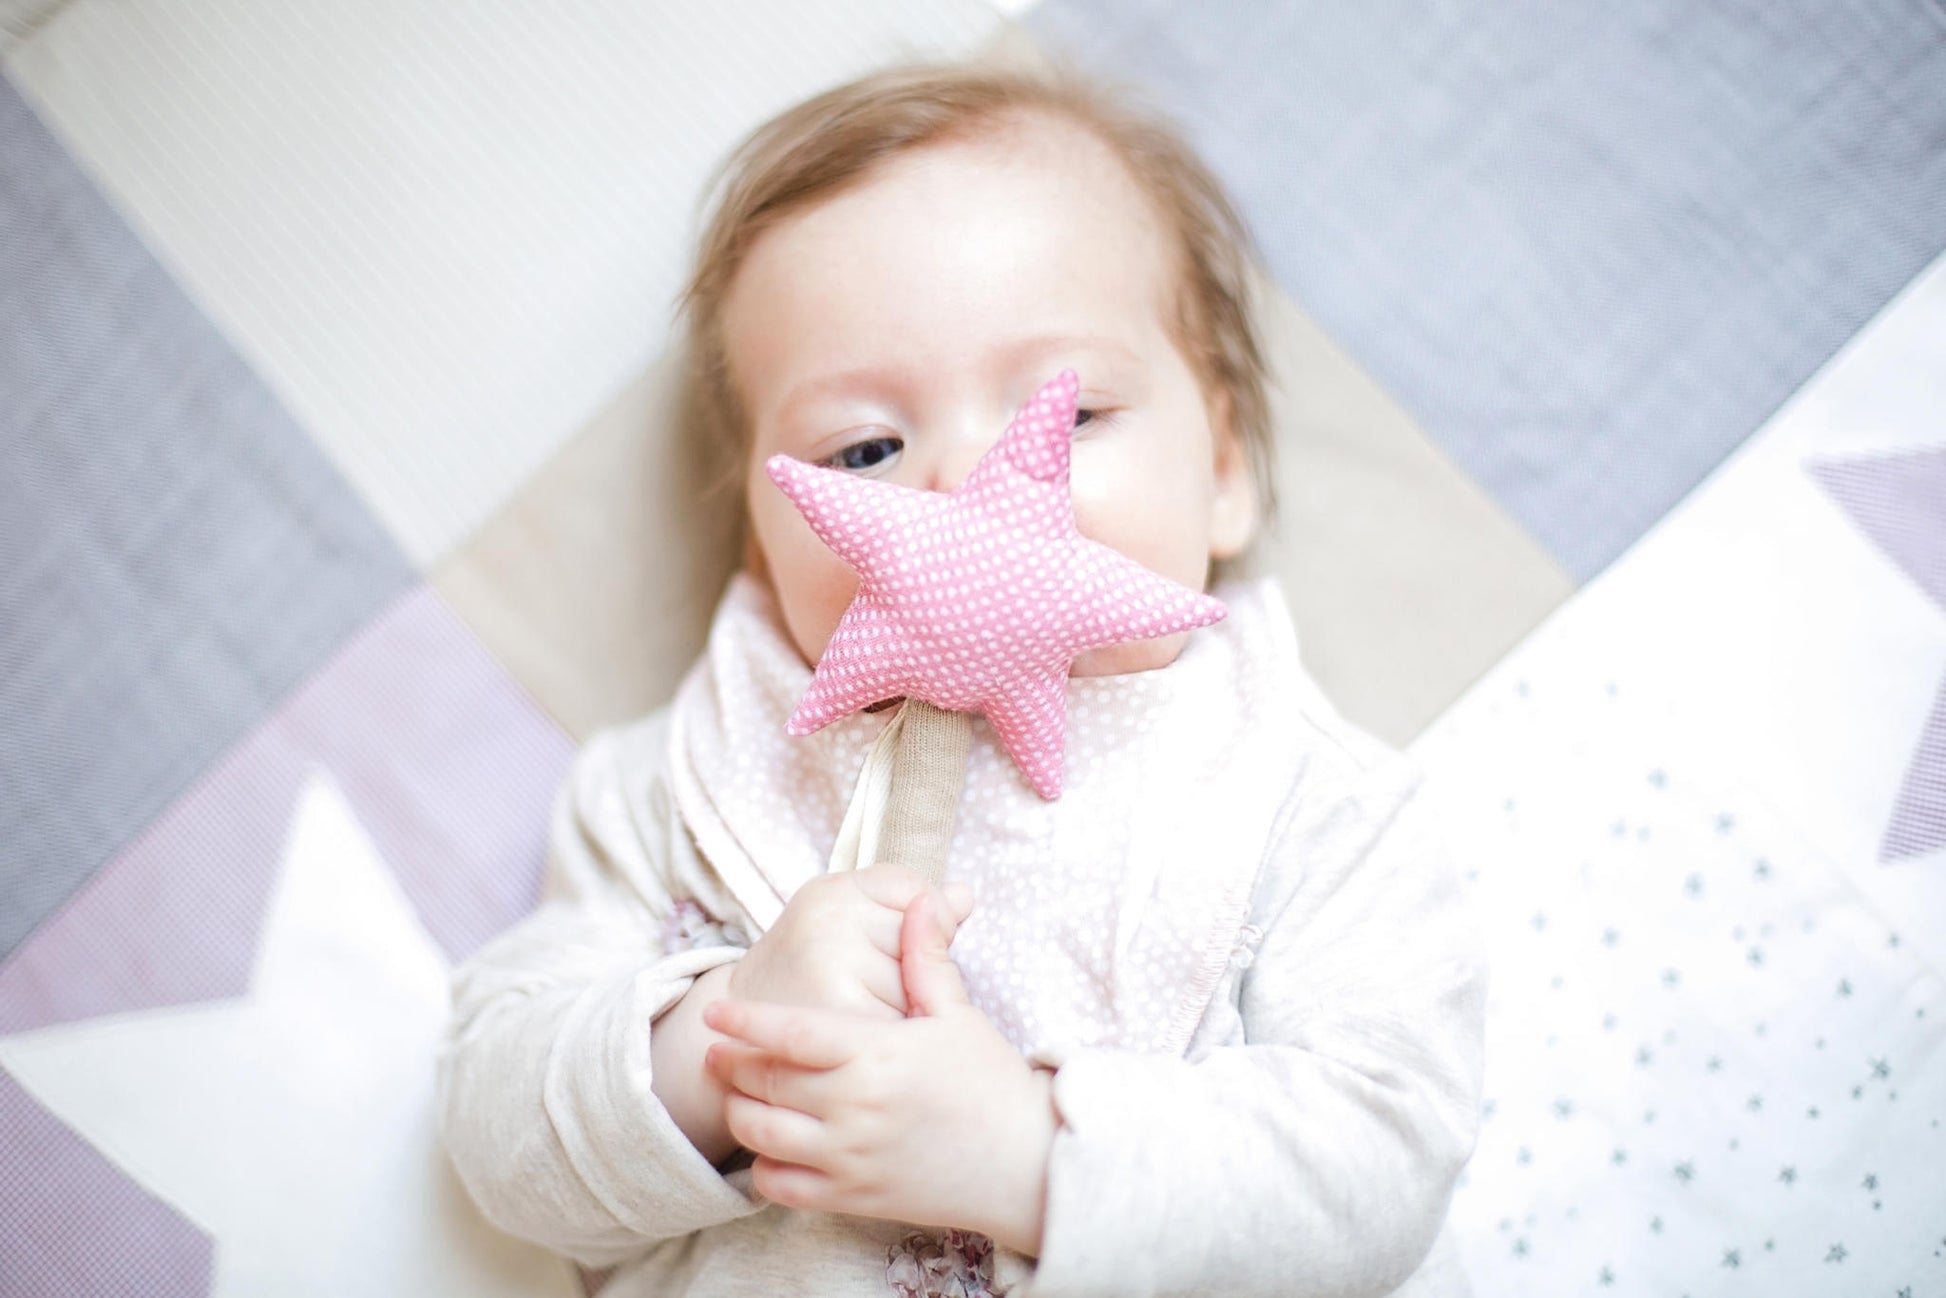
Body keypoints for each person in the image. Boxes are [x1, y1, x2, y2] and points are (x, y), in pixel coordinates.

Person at [437, 58, 1486, 1298]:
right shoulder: (670, 789)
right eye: (863, 449)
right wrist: (720, 1040)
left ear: (1221, 467)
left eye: (1068, 414)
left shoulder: (1314, 805)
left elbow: (1379, 1162)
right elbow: (496, 1132)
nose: (964, 490)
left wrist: (1026, 1156)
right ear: (762, 545)